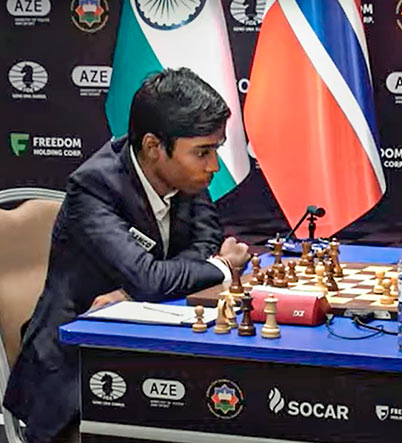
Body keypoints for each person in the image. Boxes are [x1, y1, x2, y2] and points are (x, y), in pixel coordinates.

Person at [3, 68, 251, 443]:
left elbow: (203, 242)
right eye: (203, 152)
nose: (213, 166)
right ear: (153, 147)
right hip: (75, 374)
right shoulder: (93, 187)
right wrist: (221, 266)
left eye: (215, 149)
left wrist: (136, 290)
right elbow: (159, 275)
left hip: (150, 351)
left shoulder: (186, 175)